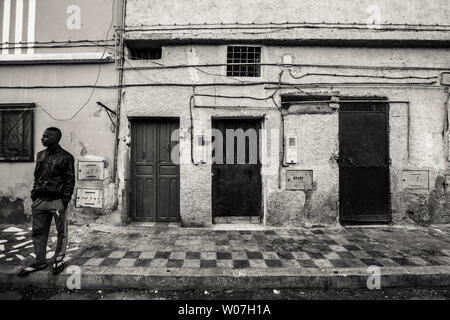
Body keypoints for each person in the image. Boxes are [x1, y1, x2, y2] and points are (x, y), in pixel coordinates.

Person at [18, 127, 75, 276]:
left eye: (46, 137)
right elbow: (37, 176)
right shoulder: (40, 155)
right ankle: (40, 261)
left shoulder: (66, 157)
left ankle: (59, 259)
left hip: (57, 201)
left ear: (55, 138)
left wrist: (64, 200)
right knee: (38, 232)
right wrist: (34, 194)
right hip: (39, 201)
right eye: (43, 136)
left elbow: (70, 180)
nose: (42, 139)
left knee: (61, 232)